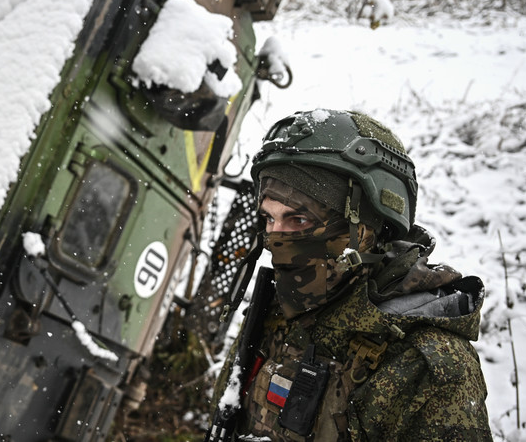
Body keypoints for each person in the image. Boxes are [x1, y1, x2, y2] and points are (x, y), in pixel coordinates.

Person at [205, 109, 492, 441]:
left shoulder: (428, 367)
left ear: (367, 227)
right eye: (269, 219)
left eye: (299, 220)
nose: (276, 240)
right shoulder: (277, 311)